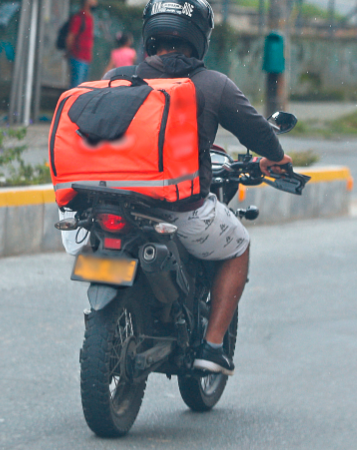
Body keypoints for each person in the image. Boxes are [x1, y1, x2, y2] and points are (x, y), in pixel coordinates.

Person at [101, 0, 292, 375]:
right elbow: (257, 132)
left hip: (116, 202)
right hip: (178, 208)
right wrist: (277, 157)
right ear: (200, 36)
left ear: (150, 32)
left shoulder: (117, 77)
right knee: (239, 246)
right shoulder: (212, 85)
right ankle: (213, 347)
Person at [63, 0, 97, 88]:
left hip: (87, 58)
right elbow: (71, 37)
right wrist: (69, 52)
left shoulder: (90, 18)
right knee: (76, 87)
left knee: (83, 87)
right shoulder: (79, 18)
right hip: (78, 56)